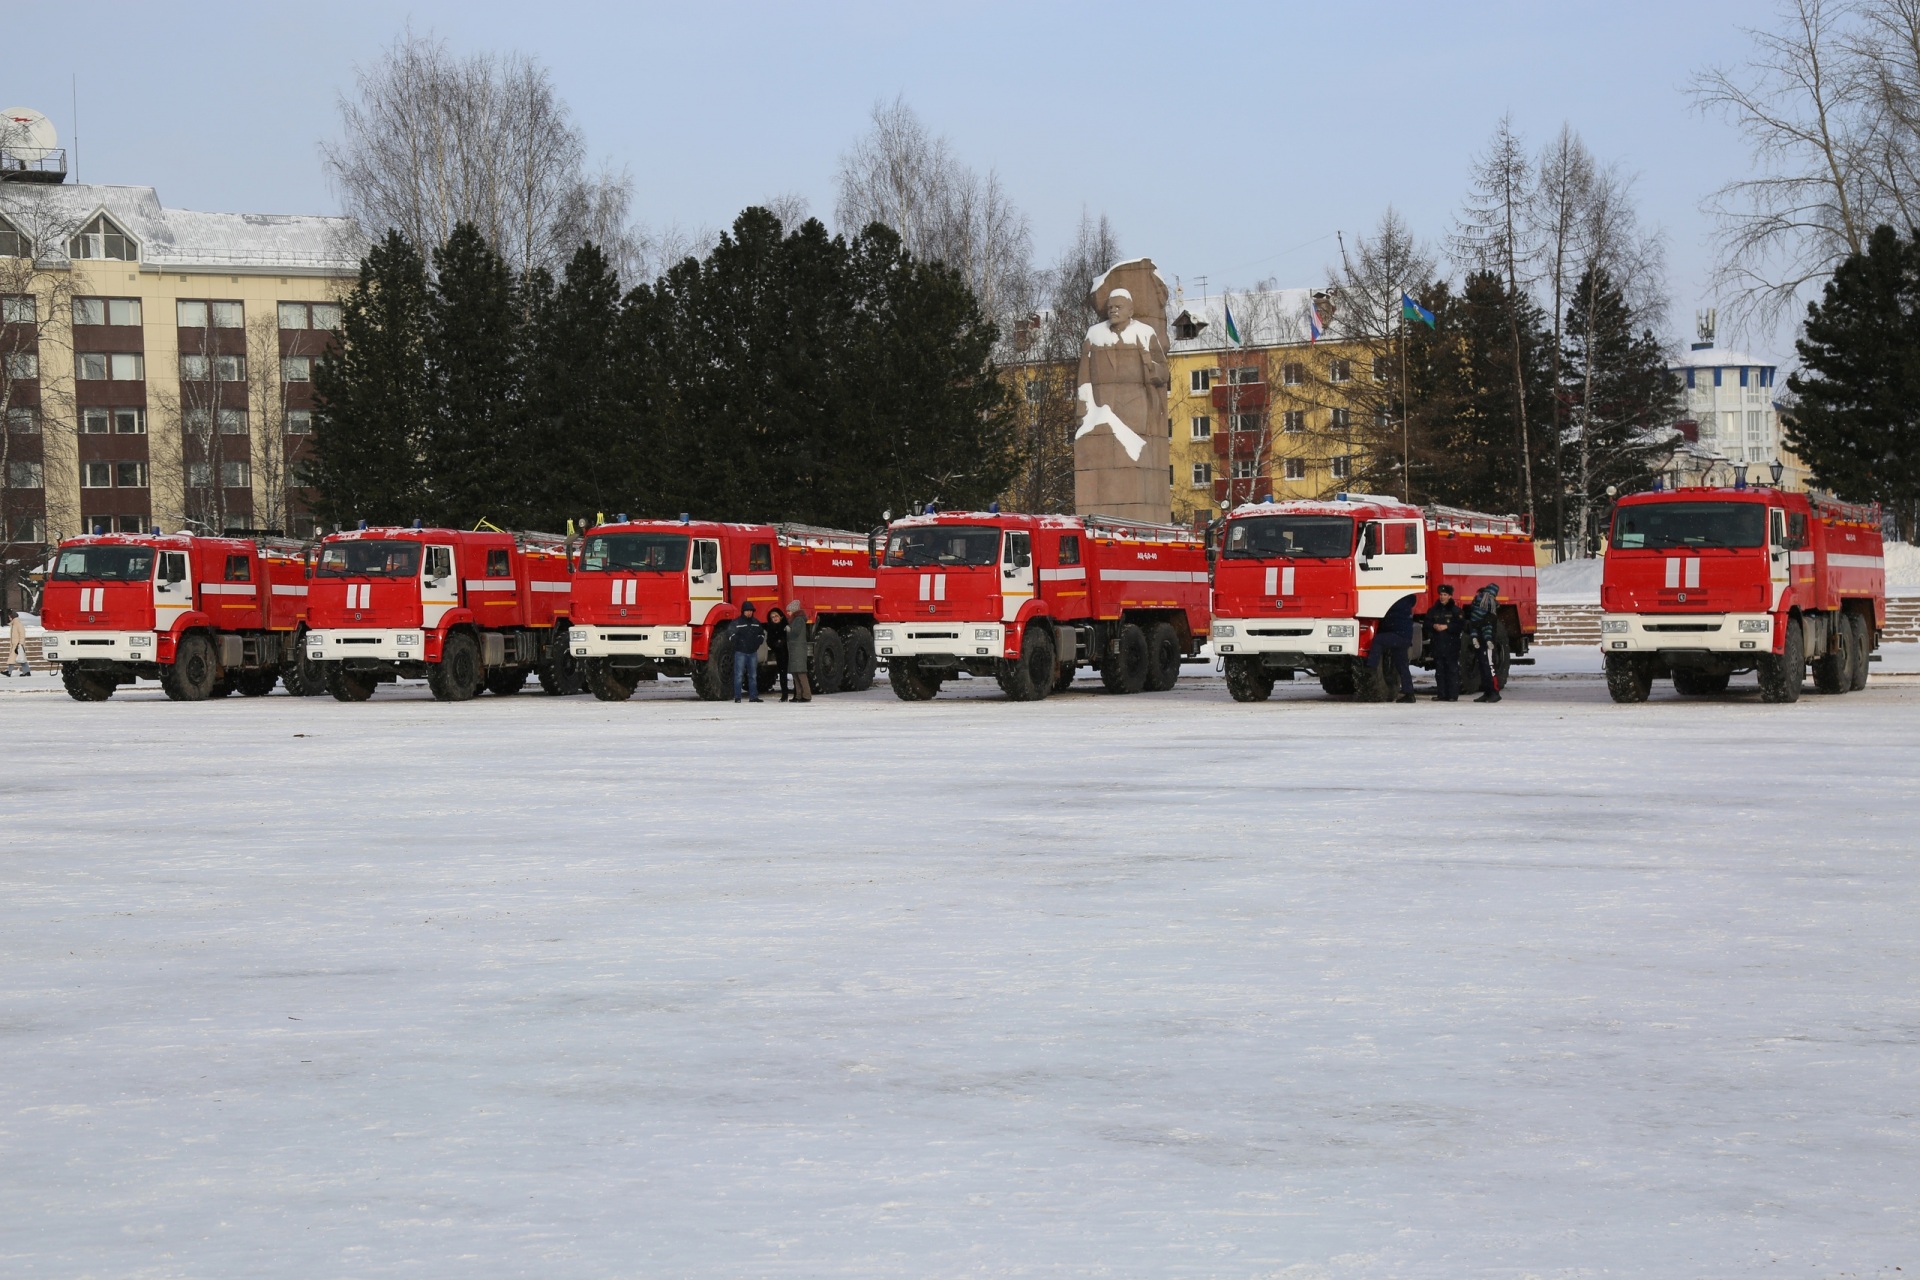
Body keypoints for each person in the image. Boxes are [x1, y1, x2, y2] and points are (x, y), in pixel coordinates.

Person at [1366, 592, 1418, 703]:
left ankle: (1371, 666)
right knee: (1402, 666)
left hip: (1397, 636)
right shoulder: (1406, 602)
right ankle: (1409, 693)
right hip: (1403, 637)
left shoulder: (1395, 604)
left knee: (1378, 640)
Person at [1465, 582, 1504, 703]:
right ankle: (1488, 691)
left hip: (1487, 642)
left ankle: (1494, 691)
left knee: (1489, 666)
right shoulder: (1488, 610)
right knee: (1484, 666)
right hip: (1484, 640)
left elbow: (1486, 626)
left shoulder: (1489, 613)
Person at [1424, 584, 1464, 702]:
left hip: (1451, 645)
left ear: (1450, 596)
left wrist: (1447, 626)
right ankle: (1441, 694)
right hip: (1438, 644)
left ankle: (1452, 695)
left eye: (1445, 595)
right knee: (1440, 671)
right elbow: (1426, 623)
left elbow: (1461, 625)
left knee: (1452, 670)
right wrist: (1433, 625)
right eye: (1441, 595)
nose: (1442, 597)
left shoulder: (1456, 611)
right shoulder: (1433, 610)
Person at [729, 602, 766, 703]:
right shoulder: (737, 622)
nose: (749, 613)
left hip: (752, 652)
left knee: (753, 675)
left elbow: (761, 634)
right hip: (740, 652)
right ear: (743, 611)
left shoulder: (756, 622)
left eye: (751, 611)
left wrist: (758, 642)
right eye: (747, 611)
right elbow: (730, 634)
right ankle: (737, 697)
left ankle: (753, 696)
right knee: (739, 675)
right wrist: (738, 642)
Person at [786, 600, 813, 702]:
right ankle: (799, 695)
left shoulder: (798, 620)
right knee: (796, 673)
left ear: (793, 610)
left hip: (797, 649)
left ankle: (805, 695)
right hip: (795, 649)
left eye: (789, 611)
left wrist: (788, 629)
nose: (787, 613)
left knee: (800, 673)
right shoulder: (796, 620)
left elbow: (795, 632)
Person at [764, 607, 791, 701]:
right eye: (772, 617)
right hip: (780, 653)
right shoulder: (771, 628)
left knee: (795, 673)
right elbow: (769, 641)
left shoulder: (786, 625)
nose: (775, 618)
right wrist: (776, 645)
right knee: (783, 674)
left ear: (781, 616)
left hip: (790, 652)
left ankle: (798, 693)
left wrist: (784, 641)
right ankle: (785, 694)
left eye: (776, 616)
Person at [3, 609, 27, 677]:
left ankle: (8, 672)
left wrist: (20, 644)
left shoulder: (18, 624)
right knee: (22, 659)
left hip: (17, 645)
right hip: (15, 644)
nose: (9, 618)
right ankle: (27, 671)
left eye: (9, 616)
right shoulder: (14, 624)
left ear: (12, 617)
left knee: (12, 659)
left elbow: (22, 634)